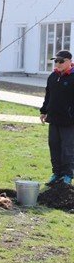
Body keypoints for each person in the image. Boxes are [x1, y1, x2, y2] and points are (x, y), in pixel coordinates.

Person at [40, 50, 74, 185]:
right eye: (56, 61)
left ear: (69, 62)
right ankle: (56, 173)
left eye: (61, 61)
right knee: (54, 146)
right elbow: (48, 96)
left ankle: (67, 175)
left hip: (69, 121)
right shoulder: (53, 76)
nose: (58, 64)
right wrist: (43, 111)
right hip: (53, 118)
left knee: (67, 148)